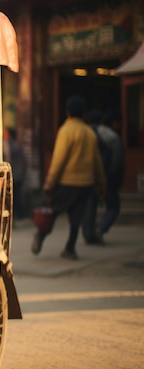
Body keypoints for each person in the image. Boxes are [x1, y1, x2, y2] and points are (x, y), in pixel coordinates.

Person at [31, 95, 106, 260]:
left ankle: (41, 236)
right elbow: (97, 162)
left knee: (52, 212)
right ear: (84, 113)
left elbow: (59, 160)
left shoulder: (66, 131)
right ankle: (70, 248)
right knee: (76, 218)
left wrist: (50, 183)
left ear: (67, 112)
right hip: (86, 184)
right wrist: (101, 184)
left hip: (67, 182)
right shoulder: (90, 133)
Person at [83, 110, 125, 243]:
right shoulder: (112, 136)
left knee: (90, 206)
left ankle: (89, 234)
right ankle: (100, 229)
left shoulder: (85, 134)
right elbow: (118, 160)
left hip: (88, 176)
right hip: (107, 177)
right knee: (113, 206)